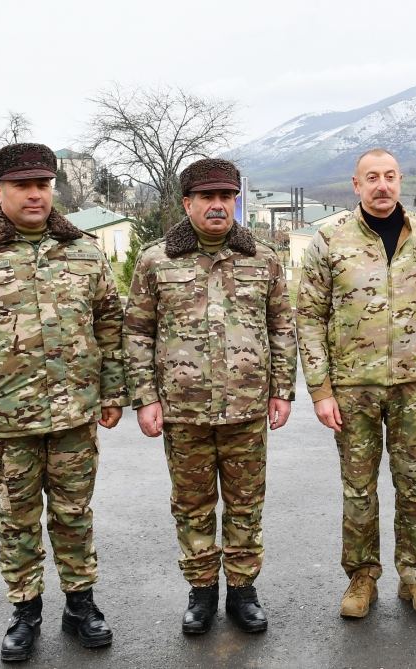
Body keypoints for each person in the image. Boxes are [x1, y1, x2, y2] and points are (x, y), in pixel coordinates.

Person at [0, 143, 128, 661]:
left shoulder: (84, 252)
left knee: (74, 513)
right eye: (23, 186)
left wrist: (113, 392)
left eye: (43, 185)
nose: (36, 194)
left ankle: (81, 605)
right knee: (16, 519)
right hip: (6, 420)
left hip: (74, 415)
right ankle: (25, 611)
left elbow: (110, 327)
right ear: (0, 192)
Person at [123, 158, 297, 635]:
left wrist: (282, 390)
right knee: (192, 506)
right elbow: (137, 332)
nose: (218, 205)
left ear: (235, 200)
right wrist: (145, 398)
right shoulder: (156, 259)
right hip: (183, 412)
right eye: (207, 197)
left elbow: (282, 327)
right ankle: (201, 593)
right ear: (188, 203)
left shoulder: (263, 258)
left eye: (226, 197)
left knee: (246, 504)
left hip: (246, 409)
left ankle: (243, 591)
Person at [296, 148, 416, 618]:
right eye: (372, 177)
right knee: (357, 489)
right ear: (356, 185)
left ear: (401, 180)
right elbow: (308, 317)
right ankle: (361, 577)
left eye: (390, 176)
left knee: (413, 486)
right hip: (353, 389)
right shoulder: (329, 239)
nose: (382, 185)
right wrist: (320, 390)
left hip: (413, 386)